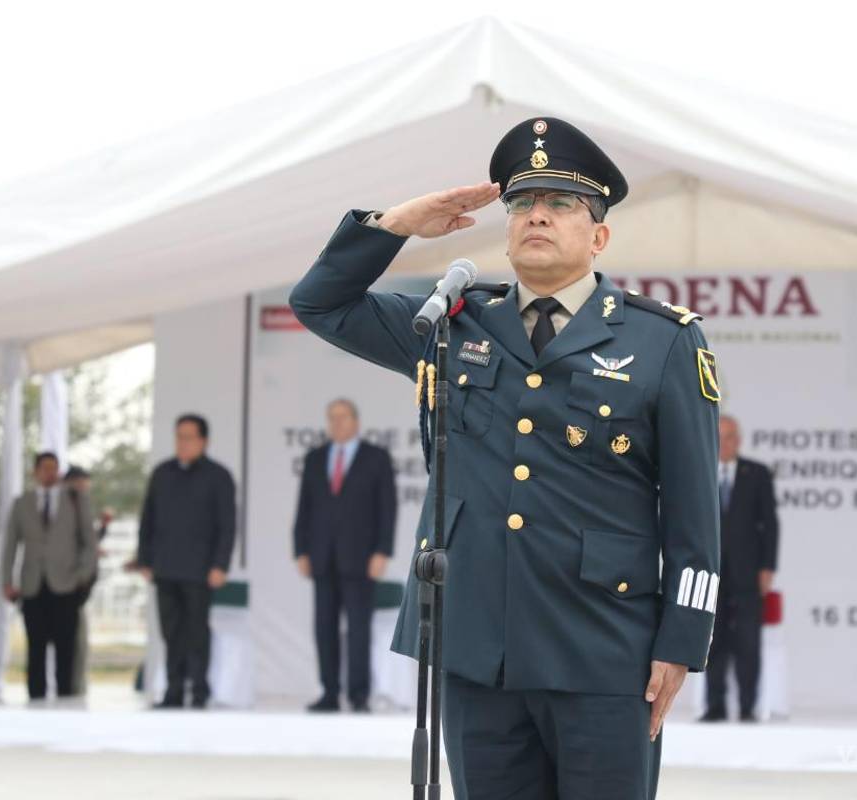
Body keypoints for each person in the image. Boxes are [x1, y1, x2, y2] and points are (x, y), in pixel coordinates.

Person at [290, 117, 720, 799]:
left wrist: (683, 641)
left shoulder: (663, 342)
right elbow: (319, 303)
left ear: (598, 235)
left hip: (605, 652)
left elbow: (697, 513)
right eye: (522, 205)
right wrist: (397, 223)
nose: (537, 217)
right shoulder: (451, 324)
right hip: (476, 649)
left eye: (560, 205)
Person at [293, 398, 397, 713]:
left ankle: (359, 694)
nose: (337, 423)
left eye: (343, 417)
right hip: (322, 557)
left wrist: (382, 551)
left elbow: (387, 509)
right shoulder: (315, 458)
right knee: (324, 627)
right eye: (332, 418)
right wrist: (301, 549)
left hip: (361, 557)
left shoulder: (376, 458)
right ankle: (329, 692)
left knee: (358, 629)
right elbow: (304, 509)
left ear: (356, 421)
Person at [136, 414, 237, 710]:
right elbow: (148, 520)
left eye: (189, 437)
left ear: (203, 441)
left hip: (200, 571)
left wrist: (220, 565)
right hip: (165, 568)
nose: (183, 442)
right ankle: (174, 692)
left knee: (196, 632)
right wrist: (145, 558)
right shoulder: (162, 473)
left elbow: (227, 526)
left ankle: (199, 692)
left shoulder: (218, 476)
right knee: (171, 633)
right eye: (179, 436)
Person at [1, 451, 97, 700]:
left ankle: (65, 702)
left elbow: (89, 541)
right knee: (36, 649)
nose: (49, 473)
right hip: (32, 586)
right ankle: (35, 701)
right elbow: (10, 545)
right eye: (44, 468)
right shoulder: (22, 503)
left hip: (66, 586)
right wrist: (7, 581)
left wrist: (82, 576)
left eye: (54, 468)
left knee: (66, 650)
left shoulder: (75, 500)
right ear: (35, 472)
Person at [701, 414, 778, 723]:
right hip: (711, 572)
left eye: (731, 436)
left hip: (748, 572)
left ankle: (747, 706)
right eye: (720, 436)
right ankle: (714, 706)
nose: (726, 443)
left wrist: (767, 567)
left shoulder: (756, 473)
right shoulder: (701, 472)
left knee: (748, 642)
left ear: (740, 439)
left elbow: (770, 525)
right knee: (712, 641)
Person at [62, 465, 113, 696]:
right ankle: (70, 687)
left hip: (80, 590)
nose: (84, 493)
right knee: (70, 642)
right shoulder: (61, 511)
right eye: (80, 487)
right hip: (66, 587)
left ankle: (76, 686)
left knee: (78, 642)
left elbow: (88, 541)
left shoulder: (80, 509)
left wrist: (103, 528)